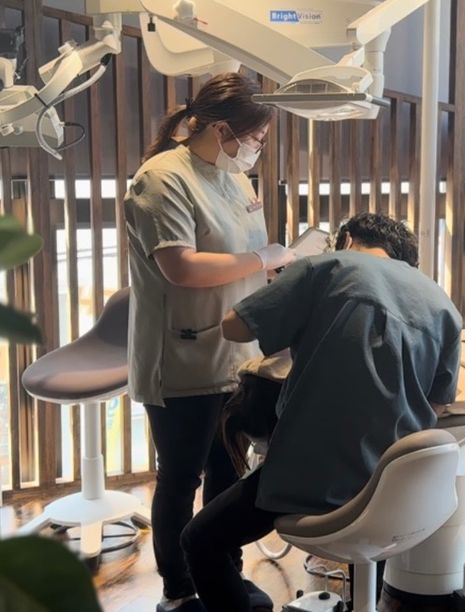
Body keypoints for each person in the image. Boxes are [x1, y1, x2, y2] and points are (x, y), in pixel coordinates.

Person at [179, 213, 464, 612]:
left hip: (314, 482)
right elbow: (437, 404)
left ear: (346, 240)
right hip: (395, 493)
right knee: (373, 531)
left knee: (199, 541)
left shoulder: (324, 267)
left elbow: (233, 327)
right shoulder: (442, 304)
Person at [124, 72, 295, 612]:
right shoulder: (160, 179)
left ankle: (225, 576)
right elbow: (182, 266)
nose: (257, 149)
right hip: (183, 355)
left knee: (229, 474)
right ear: (222, 130)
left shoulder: (234, 178)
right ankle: (179, 590)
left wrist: (272, 267)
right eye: (256, 138)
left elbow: (240, 253)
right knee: (181, 477)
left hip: (238, 355)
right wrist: (261, 258)